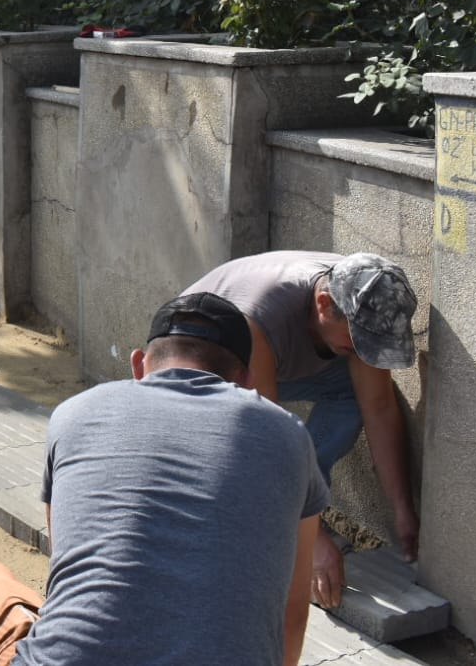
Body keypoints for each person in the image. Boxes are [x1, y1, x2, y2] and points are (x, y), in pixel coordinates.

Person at [0, 293, 326, 666]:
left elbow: (64, 570)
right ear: (245, 381)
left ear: (138, 365)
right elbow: (292, 617)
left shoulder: (77, 413)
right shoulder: (290, 437)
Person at [179, 250, 420, 607]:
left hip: (272, 360)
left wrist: (402, 510)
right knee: (241, 468)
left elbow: (379, 408)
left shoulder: (363, 301)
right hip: (203, 364)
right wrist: (310, 540)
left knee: (353, 392)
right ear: (323, 304)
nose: (362, 351)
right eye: (358, 340)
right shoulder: (260, 317)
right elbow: (265, 441)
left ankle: (303, 496)